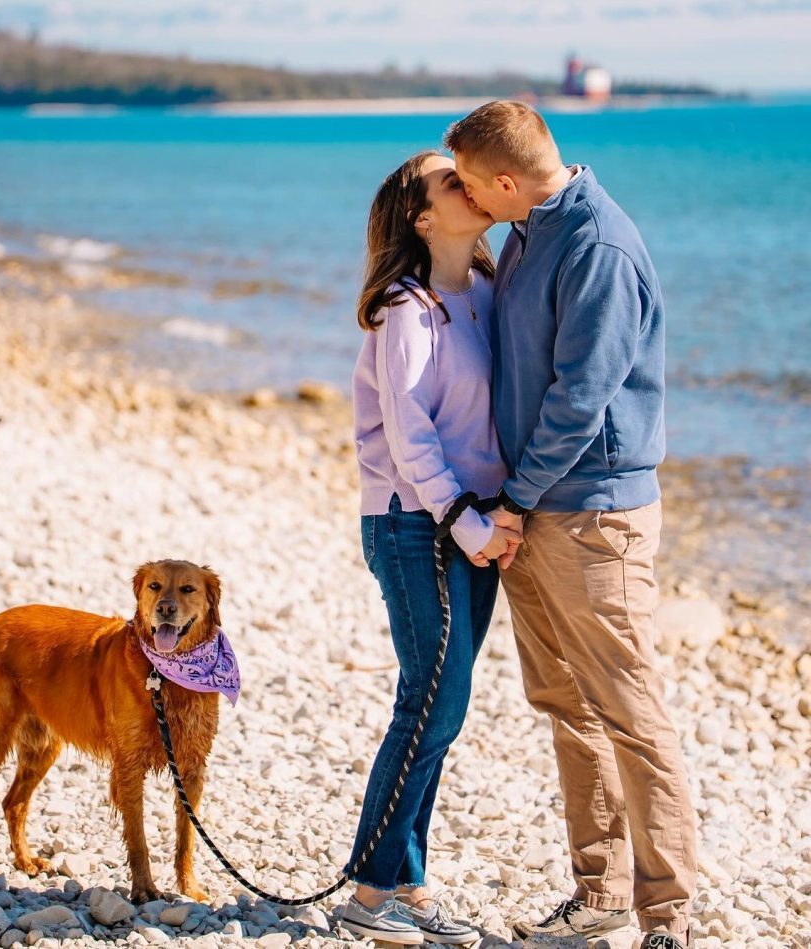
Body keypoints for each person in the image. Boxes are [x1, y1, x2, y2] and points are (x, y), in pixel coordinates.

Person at [444, 101, 697, 949]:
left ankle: (670, 918)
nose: (473, 203)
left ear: (508, 180)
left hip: (593, 517)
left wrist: (513, 501)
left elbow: (582, 397)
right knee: (565, 704)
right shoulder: (528, 228)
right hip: (536, 505)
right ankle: (601, 895)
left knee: (630, 709)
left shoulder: (596, 244)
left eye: (477, 189)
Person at [342, 150, 522, 946]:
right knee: (430, 699)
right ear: (421, 217)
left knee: (442, 708)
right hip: (415, 521)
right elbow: (413, 440)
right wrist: (469, 524)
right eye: (451, 178)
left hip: (467, 521)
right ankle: (368, 894)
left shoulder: (484, 290)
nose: (470, 181)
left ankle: (406, 881)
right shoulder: (404, 307)